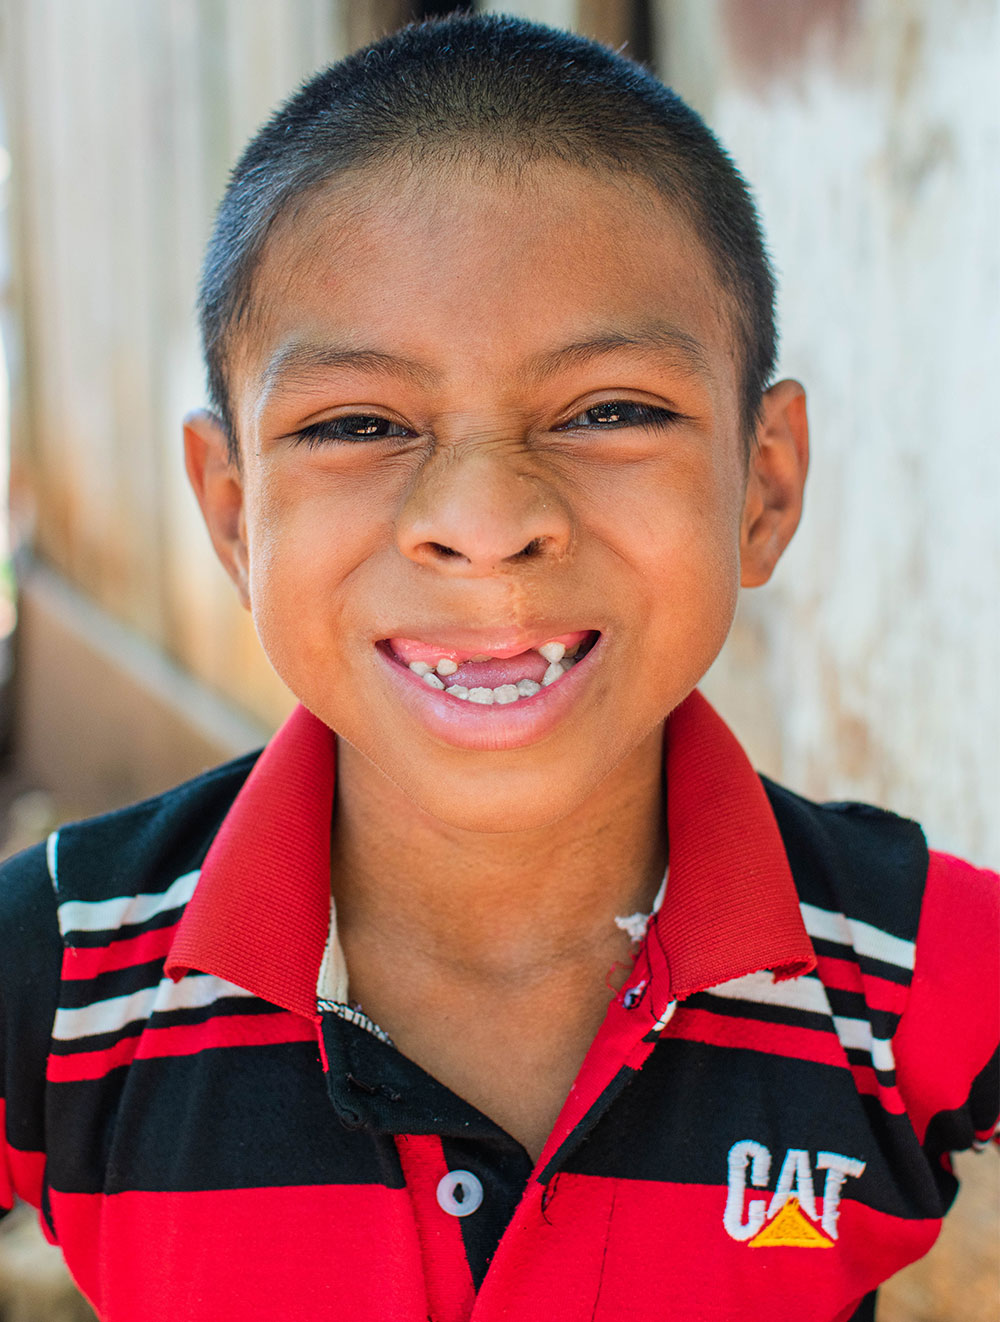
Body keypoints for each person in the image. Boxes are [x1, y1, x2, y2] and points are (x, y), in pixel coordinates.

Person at [0, 13, 995, 1322]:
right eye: (358, 422)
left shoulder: (910, 968)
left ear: (763, 482)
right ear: (234, 513)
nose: (481, 516)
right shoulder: (65, 975)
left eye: (609, 411)